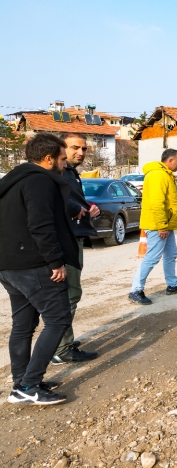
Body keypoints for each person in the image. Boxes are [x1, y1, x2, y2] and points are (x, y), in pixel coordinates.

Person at [0, 133, 78, 405]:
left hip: (8, 266)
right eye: (62, 158)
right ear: (48, 159)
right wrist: (56, 262)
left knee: (23, 325)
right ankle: (30, 386)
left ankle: (21, 384)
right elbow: (40, 225)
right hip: (34, 265)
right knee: (58, 320)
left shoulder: (13, 180)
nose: (65, 164)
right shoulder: (39, 181)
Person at [50, 133, 100, 365]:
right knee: (69, 294)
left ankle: (62, 340)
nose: (80, 152)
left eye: (84, 149)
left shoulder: (69, 172)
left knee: (69, 294)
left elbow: (70, 200)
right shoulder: (57, 172)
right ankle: (61, 347)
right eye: (74, 148)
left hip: (74, 236)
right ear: (61, 148)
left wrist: (87, 206)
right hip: (65, 240)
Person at [128, 149, 177, 305]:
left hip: (164, 224)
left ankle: (173, 284)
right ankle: (135, 290)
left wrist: (166, 225)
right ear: (170, 161)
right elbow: (157, 203)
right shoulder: (158, 175)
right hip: (158, 225)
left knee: (171, 253)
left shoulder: (165, 174)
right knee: (152, 256)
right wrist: (162, 226)